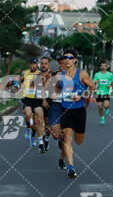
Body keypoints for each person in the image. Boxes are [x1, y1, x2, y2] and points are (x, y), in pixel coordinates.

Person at [55, 48, 96, 178]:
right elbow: (56, 88)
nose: (67, 60)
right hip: (65, 110)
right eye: (65, 58)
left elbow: (93, 87)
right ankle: (71, 167)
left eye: (70, 58)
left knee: (79, 141)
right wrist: (57, 96)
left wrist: (82, 96)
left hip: (79, 111)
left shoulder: (82, 74)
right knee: (67, 137)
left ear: (75, 60)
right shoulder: (60, 75)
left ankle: (68, 161)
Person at [20, 57, 42, 149]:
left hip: (37, 99)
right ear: (29, 64)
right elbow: (21, 81)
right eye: (31, 63)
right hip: (27, 97)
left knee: (36, 122)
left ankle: (33, 136)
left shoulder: (41, 74)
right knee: (28, 114)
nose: (33, 65)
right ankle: (28, 128)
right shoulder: (25, 73)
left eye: (34, 64)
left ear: (37, 65)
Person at [47, 56, 65, 167]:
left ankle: (62, 160)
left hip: (68, 107)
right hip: (55, 106)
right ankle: (59, 138)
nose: (63, 65)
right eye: (61, 63)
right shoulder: (53, 76)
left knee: (66, 136)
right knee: (55, 135)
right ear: (59, 64)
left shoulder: (73, 77)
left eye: (65, 63)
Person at [38, 56, 52, 152]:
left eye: (45, 63)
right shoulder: (36, 76)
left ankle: (46, 139)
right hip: (38, 101)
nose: (43, 65)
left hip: (49, 102)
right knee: (39, 120)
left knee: (48, 125)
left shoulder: (53, 76)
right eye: (42, 63)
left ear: (49, 65)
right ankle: (40, 143)